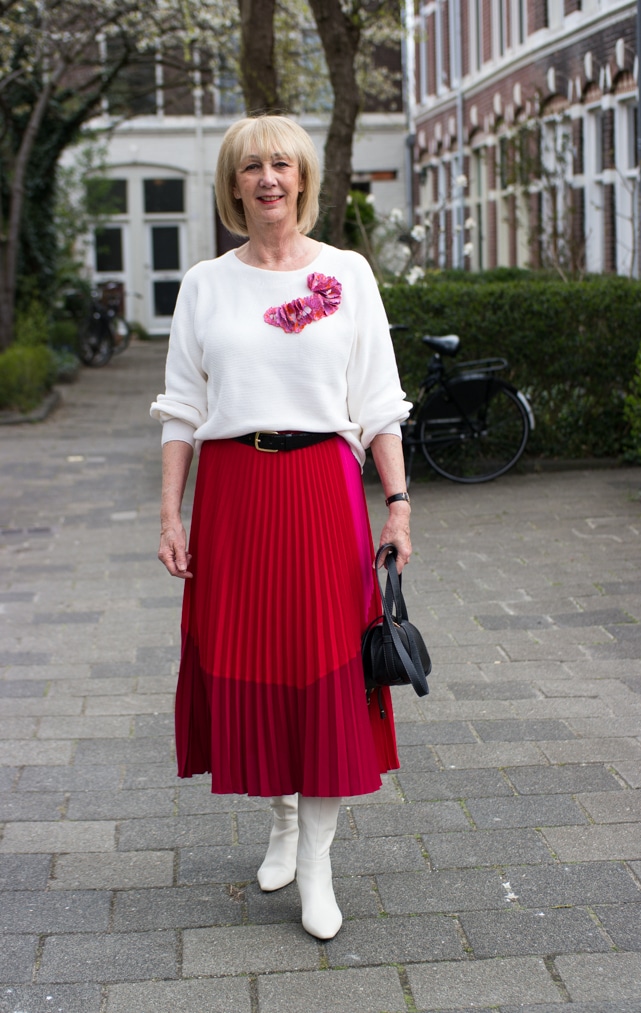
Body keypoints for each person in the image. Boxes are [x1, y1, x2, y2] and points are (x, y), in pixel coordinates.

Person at [150, 114, 412, 941]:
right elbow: (182, 408)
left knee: (328, 670)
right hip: (233, 492)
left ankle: (320, 860)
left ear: (302, 179)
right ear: (233, 186)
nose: (268, 178)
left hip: (322, 489)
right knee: (254, 662)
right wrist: (170, 511)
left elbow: (376, 398)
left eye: (281, 165)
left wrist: (398, 503)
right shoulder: (205, 282)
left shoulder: (348, 273)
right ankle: (282, 818)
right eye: (251, 167)